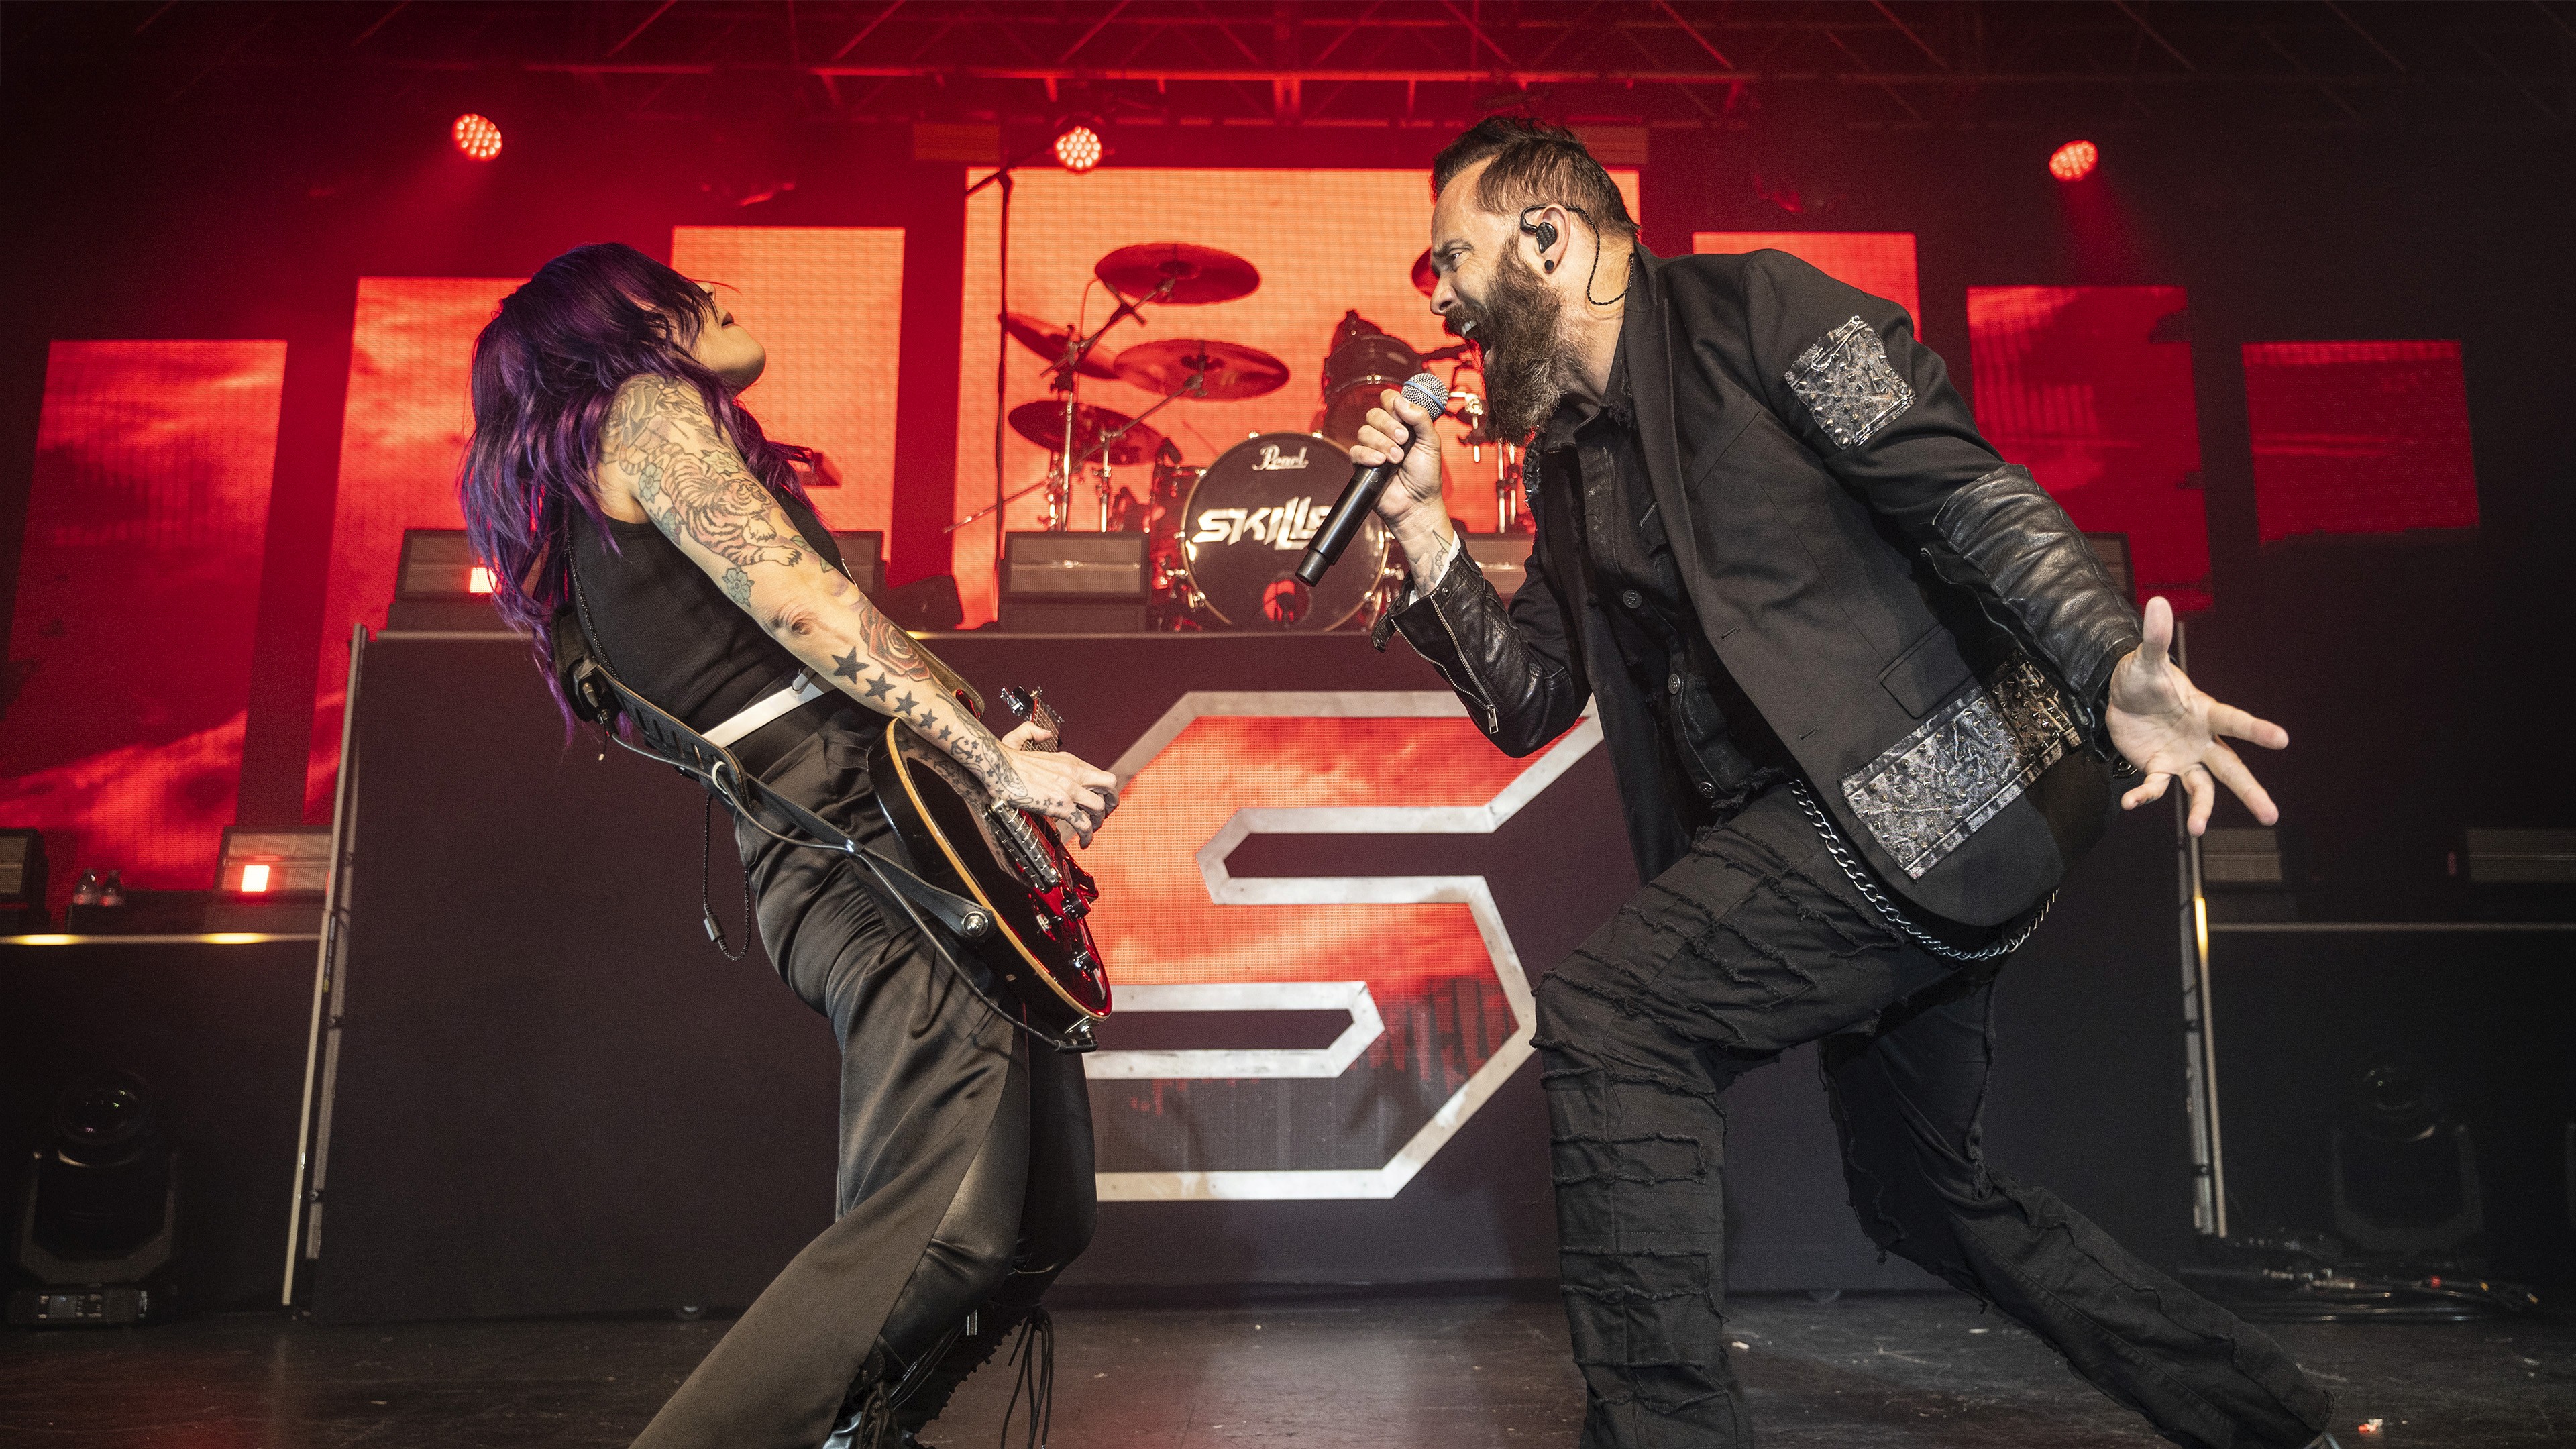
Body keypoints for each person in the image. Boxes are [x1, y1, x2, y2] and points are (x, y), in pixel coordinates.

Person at [1354, 117, 2336, 1449]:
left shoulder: (1760, 309)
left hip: (1939, 796)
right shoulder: (1567, 459)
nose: (1440, 297)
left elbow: (1963, 490)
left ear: (1549, 236)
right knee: (1922, 1200)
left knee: (1615, 1017)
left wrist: (2107, 660)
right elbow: (1530, 702)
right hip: (1817, 848)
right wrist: (1423, 529)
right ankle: (2269, 1417)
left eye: (1452, 258)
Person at [458, 243, 1117, 1449]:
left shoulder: (606, 506)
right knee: (951, 1232)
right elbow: (804, 607)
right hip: (859, 852)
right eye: (674, 290)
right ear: (618, 332)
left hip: (887, 838)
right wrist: (992, 762)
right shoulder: (642, 411)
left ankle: (861, 1432)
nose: (719, 294)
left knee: (1042, 1222)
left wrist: (978, 744)